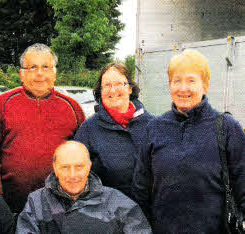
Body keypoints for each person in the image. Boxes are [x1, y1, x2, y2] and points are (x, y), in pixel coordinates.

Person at [132, 49, 244, 233]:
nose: (183, 88)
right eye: (176, 81)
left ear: (205, 86)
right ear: (170, 86)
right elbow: (140, 189)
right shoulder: (155, 128)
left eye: (191, 80)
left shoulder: (227, 127)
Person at [0, 43, 86, 213]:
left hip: (61, 206)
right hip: (11, 206)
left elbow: (84, 157)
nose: (39, 73)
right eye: (32, 67)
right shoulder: (2, 104)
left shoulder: (72, 107)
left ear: (54, 73)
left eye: (46, 67)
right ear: (21, 74)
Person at [16, 141, 151, 234]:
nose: (72, 175)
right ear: (55, 169)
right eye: (65, 167)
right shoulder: (37, 202)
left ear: (89, 167)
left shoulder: (117, 202)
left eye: (79, 166)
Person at [74, 63, 153, 199]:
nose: (112, 90)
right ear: (100, 91)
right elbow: (76, 173)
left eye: (118, 84)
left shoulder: (152, 124)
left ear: (129, 88)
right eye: (107, 85)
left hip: (150, 212)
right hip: (108, 214)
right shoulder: (88, 129)